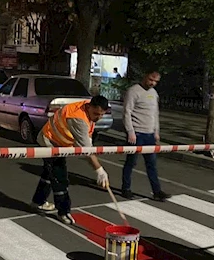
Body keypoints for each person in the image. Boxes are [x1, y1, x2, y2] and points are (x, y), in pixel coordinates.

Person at [31, 96, 111, 225]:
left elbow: (86, 137)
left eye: (101, 115)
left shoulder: (87, 107)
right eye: (96, 114)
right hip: (50, 142)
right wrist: (99, 170)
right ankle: (63, 212)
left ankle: (38, 201)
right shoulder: (77, 117)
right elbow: (86, 151)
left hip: (60, 143)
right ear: (89, 107)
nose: (98, 117)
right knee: (59, 176)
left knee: (49, 173)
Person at [121, 71, 170, 201]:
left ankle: (157, 191)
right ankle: (126, 188)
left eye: (155, 82)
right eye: (150, 80)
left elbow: (155, 113)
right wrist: (130, 131)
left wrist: (156, 131)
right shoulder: (133, 91)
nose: (152, 83)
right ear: (145, 77)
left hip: (149, 134)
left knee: (152, 164)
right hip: (137, 133)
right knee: (131, 162)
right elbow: (127, 112)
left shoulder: (154, 93)